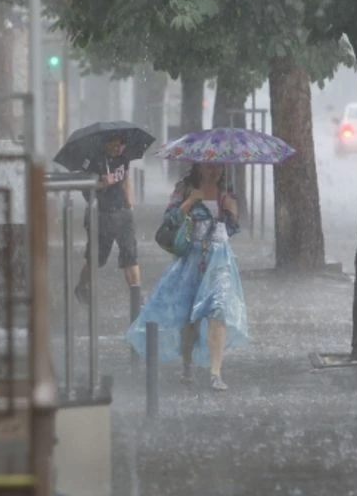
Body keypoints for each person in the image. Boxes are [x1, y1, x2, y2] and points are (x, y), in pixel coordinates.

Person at [126, 163, 248, 391]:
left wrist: (232, 211)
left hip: (220, 260)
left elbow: (230, 230)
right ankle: (187, 365)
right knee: (190, 317)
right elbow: (170, 220)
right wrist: (190, 202)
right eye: (211, 165)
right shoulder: (184, 188)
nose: (216, 170)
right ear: (199, 165)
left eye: (220, 165)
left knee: (218, 310)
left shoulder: (227, 190)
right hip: (192, 259)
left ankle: (215, 372)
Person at [74, 133, 141, 304]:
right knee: (96, 259)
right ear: (106, 144)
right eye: (114, 144)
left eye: (120, 145)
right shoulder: (93, 161)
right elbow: (84, 189)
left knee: (130, 257)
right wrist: (102, 184)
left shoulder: (123, 159)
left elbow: (126, 180)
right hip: (101, 215)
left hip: (122, 214)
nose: (117, 148)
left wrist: (130, 204)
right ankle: (82, 286)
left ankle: (137, 299)